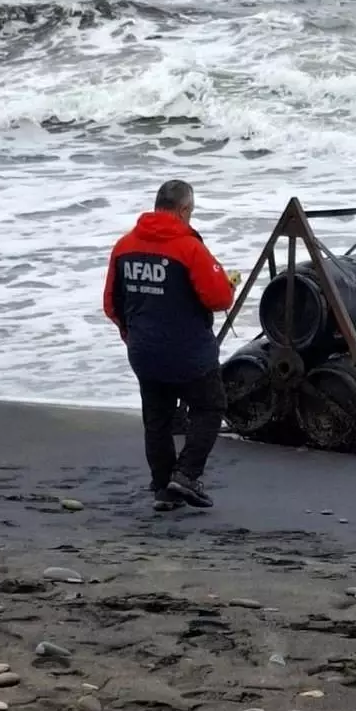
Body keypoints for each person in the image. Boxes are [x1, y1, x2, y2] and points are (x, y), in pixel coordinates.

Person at [103, 180, 239, 512]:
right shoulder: (189, 248)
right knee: (210, 408)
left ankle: (163, 489)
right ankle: (186, 475)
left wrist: (131, 335)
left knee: (157, 420)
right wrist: (228, 281)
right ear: (184, 210)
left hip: (145, 351)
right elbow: (218, 297)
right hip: (188, 352)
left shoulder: (124, 247)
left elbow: (111, 303)